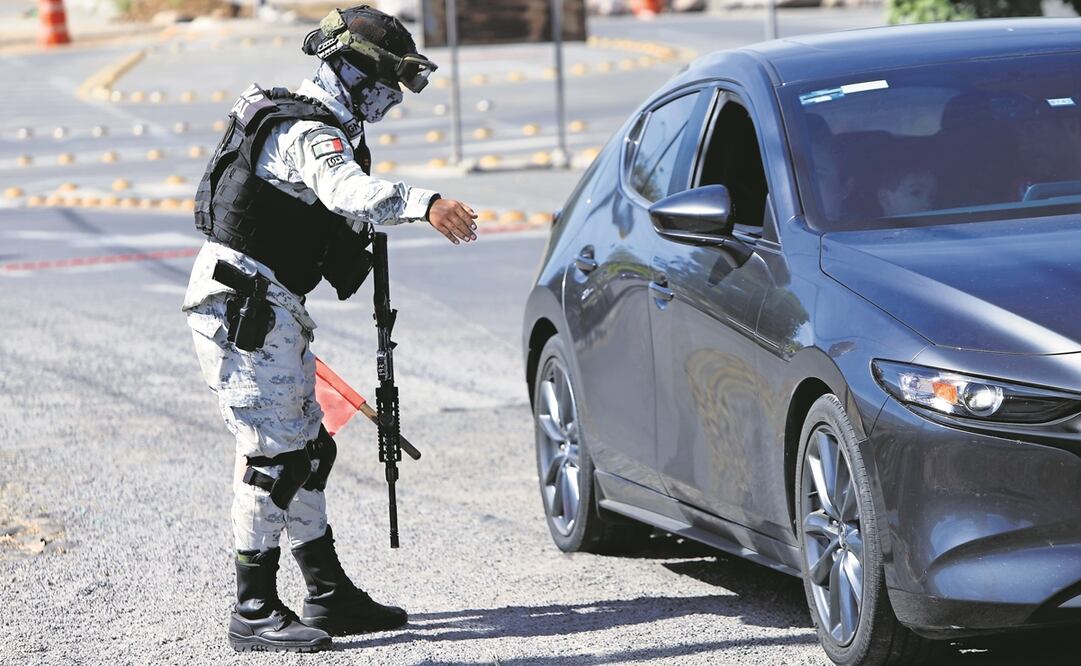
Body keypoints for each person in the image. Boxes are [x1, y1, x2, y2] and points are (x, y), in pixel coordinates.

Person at [183, 5, 478, 653]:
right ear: (349, 70)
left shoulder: (322, 121)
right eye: (385, 84)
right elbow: (346, 192)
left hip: (269, 304)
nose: (392, 100)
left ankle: (326, 593)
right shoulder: (310, 133)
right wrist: (424, 204)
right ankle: (253, 607)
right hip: (244, 307)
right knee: (273, 458)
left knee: (309, 451)